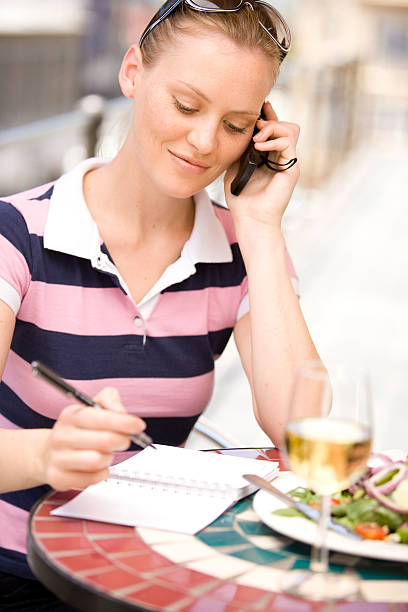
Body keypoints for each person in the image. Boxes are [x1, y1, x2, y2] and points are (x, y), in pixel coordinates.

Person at [0, 0, 320, 608]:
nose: (204, 142)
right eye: (185, 105)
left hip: (159, 576)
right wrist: (48, 452)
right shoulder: (15, 235)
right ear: (131, 72)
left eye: (235, 125)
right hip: (19, 573)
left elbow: (304, 435)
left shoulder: (242, 250)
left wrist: (259, 229)